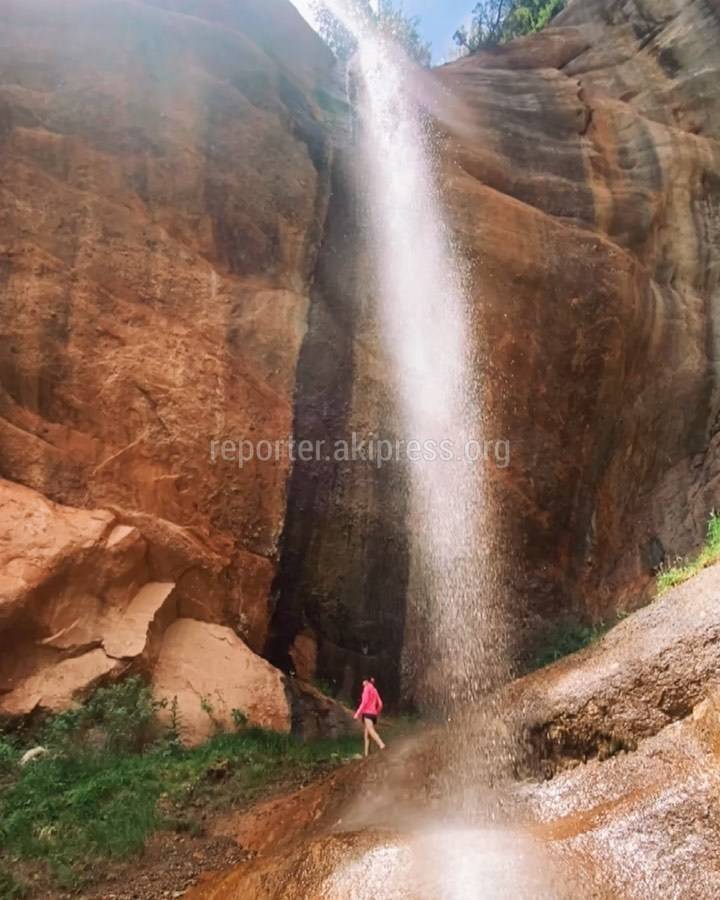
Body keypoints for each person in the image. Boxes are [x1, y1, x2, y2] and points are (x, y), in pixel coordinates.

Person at [353, 677, 386, 756]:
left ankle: (381, 744)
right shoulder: (375, 690)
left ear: (365, 681)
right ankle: (366, 753)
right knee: (366, 734)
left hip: (367, 714)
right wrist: (376, 712)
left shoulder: (366, 688)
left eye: (363, 682)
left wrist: (357, 713)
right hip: (373, 714)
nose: (362, 684)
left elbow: (364, 702)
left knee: (371, 730)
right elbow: (380, 704)